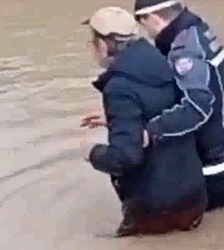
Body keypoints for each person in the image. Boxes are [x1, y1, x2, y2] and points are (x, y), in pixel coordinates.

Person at [80, 6, 206, 236]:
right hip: (194, 196)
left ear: (103, 46)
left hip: (154, 208)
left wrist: (93, 153)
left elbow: (126, 157)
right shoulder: (159, 60)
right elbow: (157, 110)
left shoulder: (118, 87)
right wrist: (114, 121)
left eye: (92, 42)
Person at [133, 0, 224, 210]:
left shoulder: (185, 51)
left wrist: (150, 130)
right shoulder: (196, 31)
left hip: (222, 170)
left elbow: (196, 108)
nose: (147, 34)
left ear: (152, 18)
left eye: (143, 25)